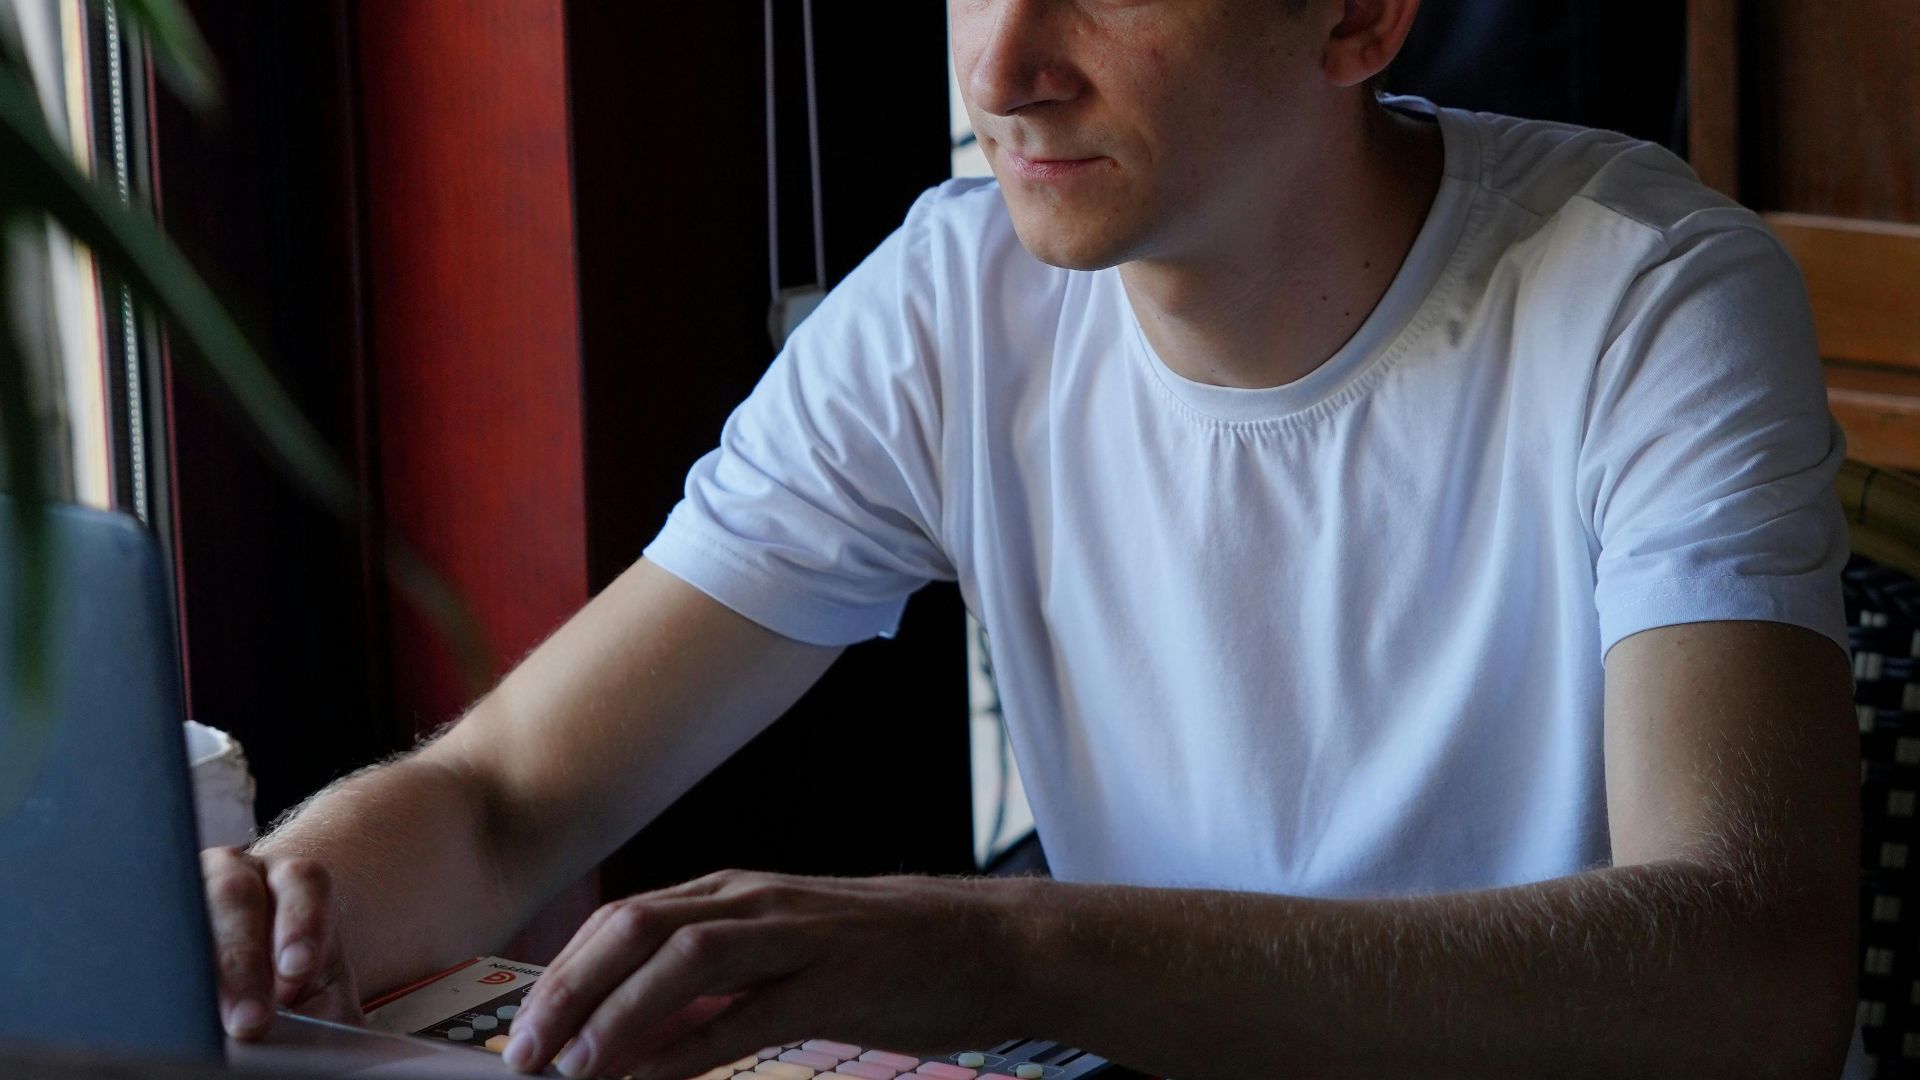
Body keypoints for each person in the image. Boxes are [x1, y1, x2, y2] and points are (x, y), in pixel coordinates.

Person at [200, 1, 1863, 1077]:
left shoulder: (1647, 290)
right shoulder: (952, 305)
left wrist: (1005, 947)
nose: (999, 73)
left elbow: (1744, 975)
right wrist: (290, 904)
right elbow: (509, 795)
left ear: (1356, 15)